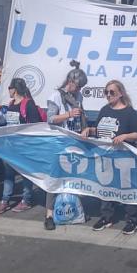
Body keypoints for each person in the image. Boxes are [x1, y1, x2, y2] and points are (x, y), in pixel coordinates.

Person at [81, 80, 137, 235]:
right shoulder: (104, 110)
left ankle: (131, 220)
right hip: (105, 157)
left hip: (124, 158)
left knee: (127, 189)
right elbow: (100, 130)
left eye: (112, 92)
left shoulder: (129, 112)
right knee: (105, 187)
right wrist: (89, 129)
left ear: (120, 93)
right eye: (106, 92)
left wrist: (125, 136)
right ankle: (106, 217)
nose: (108, 95)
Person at [44, 61, 88, 230]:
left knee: (75, 177)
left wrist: (84, 129)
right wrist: (68, 114)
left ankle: (73, 209)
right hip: (59, 142)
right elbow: (50, 119)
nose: (79, 90)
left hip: (75, 141)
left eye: (81, 88)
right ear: (70, 82)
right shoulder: (55, 95)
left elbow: (81, 116)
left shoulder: (78, 96)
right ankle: (49, 214)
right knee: (55, 179)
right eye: (78, 87)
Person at [0, 77, 42, 214]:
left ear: (14, 89)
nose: (8, 90)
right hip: (9, 146)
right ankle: (5, 200)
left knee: (25, 173)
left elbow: (35, 125)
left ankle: (26, 200)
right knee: (9, 174)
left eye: (9, 88)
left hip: (24, 146)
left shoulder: (28, 104)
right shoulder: (11, 104)